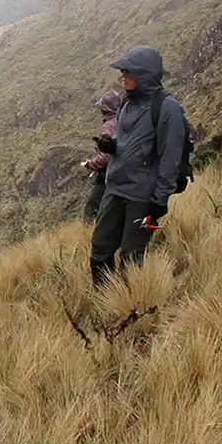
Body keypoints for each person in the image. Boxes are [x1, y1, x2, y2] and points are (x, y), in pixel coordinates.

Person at [89, 45, 187, 287]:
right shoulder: (126, 103)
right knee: (100, 248)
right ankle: (104, 300)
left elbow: (170, 158)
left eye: (127, 74)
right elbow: (128, 141)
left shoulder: (167, 108)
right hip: (116, 188)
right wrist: (111, 147)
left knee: (132, 256)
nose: (123, 78)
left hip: (143, 197)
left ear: (143, 75)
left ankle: (130, 311)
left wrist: (159, 201)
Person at [80, 90, 126, 225]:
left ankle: (87, 235)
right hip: (125, 171)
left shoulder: (108, 127)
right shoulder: (124, 120)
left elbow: (105, 157)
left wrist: (89, 164)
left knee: (92, 206)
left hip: (109, 173)